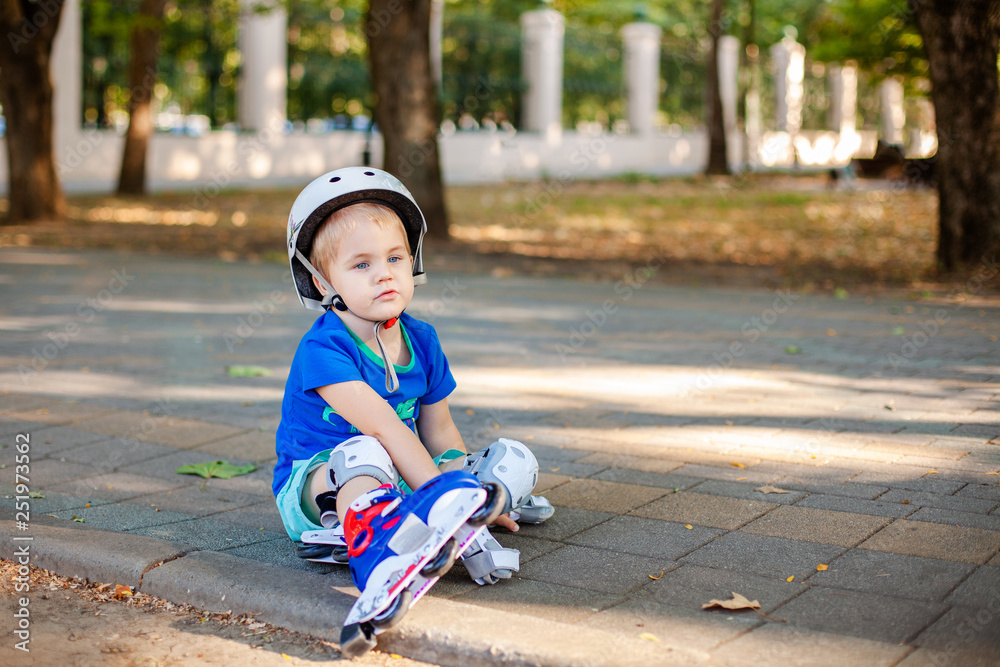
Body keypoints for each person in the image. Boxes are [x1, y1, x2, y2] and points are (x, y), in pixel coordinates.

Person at [273, 167, 553, 588]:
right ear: (321, 281)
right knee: (364, 451)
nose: (383, 273)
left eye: (394, 257)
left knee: (511, 460)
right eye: (361, 264)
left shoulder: (422, 340)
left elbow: (439, 432)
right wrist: (449, 508)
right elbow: (386, 429)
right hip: (320, 486)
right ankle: (377, 552)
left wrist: (464, 491)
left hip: (403, 475)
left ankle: (444, 513)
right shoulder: (323, 350)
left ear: (413, 260)